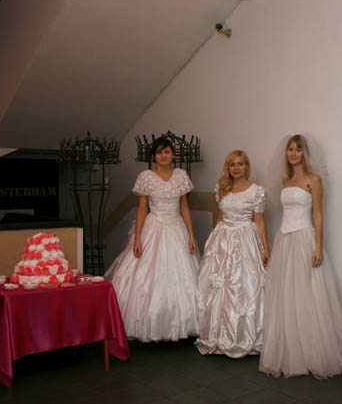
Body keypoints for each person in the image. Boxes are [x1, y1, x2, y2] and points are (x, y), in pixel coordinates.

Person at [259, 134, 342, 379]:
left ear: (305, 153)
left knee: (309, 293)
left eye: (298, 149)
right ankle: (292, 352)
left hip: (304, 238)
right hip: (284, 240)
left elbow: (318, 214)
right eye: (290, 149)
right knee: (287, 294)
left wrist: (318, 246)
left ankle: (314, 352)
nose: (293, 153)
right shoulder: (285, 181)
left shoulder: (314, 179)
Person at [104, 137, 200, 342]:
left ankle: (181, 323)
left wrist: (191, 235)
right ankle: (147, 324)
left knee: (182, 277)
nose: (163, 156)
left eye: (167, 152)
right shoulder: (146, 176)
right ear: (154, 156)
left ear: (172, 154)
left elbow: (184, 206)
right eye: (159, 152)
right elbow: (142, 208)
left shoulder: (181, 175)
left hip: (176, 227)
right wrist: (137, 239)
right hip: (153, 226)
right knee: (146, 276)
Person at [195, 150, 270, 358]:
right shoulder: (223, 188)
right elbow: (220, 217)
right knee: (219, 287)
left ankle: (244, 335)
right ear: (228, 168)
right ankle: (219, 334)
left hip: (245, 239)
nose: (236, 168)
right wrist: (213, 243)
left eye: (240, 164)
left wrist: (265, 247)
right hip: (222, 239)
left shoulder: (256, 191)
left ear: (247, 167)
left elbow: (259, 221)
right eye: (232, 164)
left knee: (244, 286)